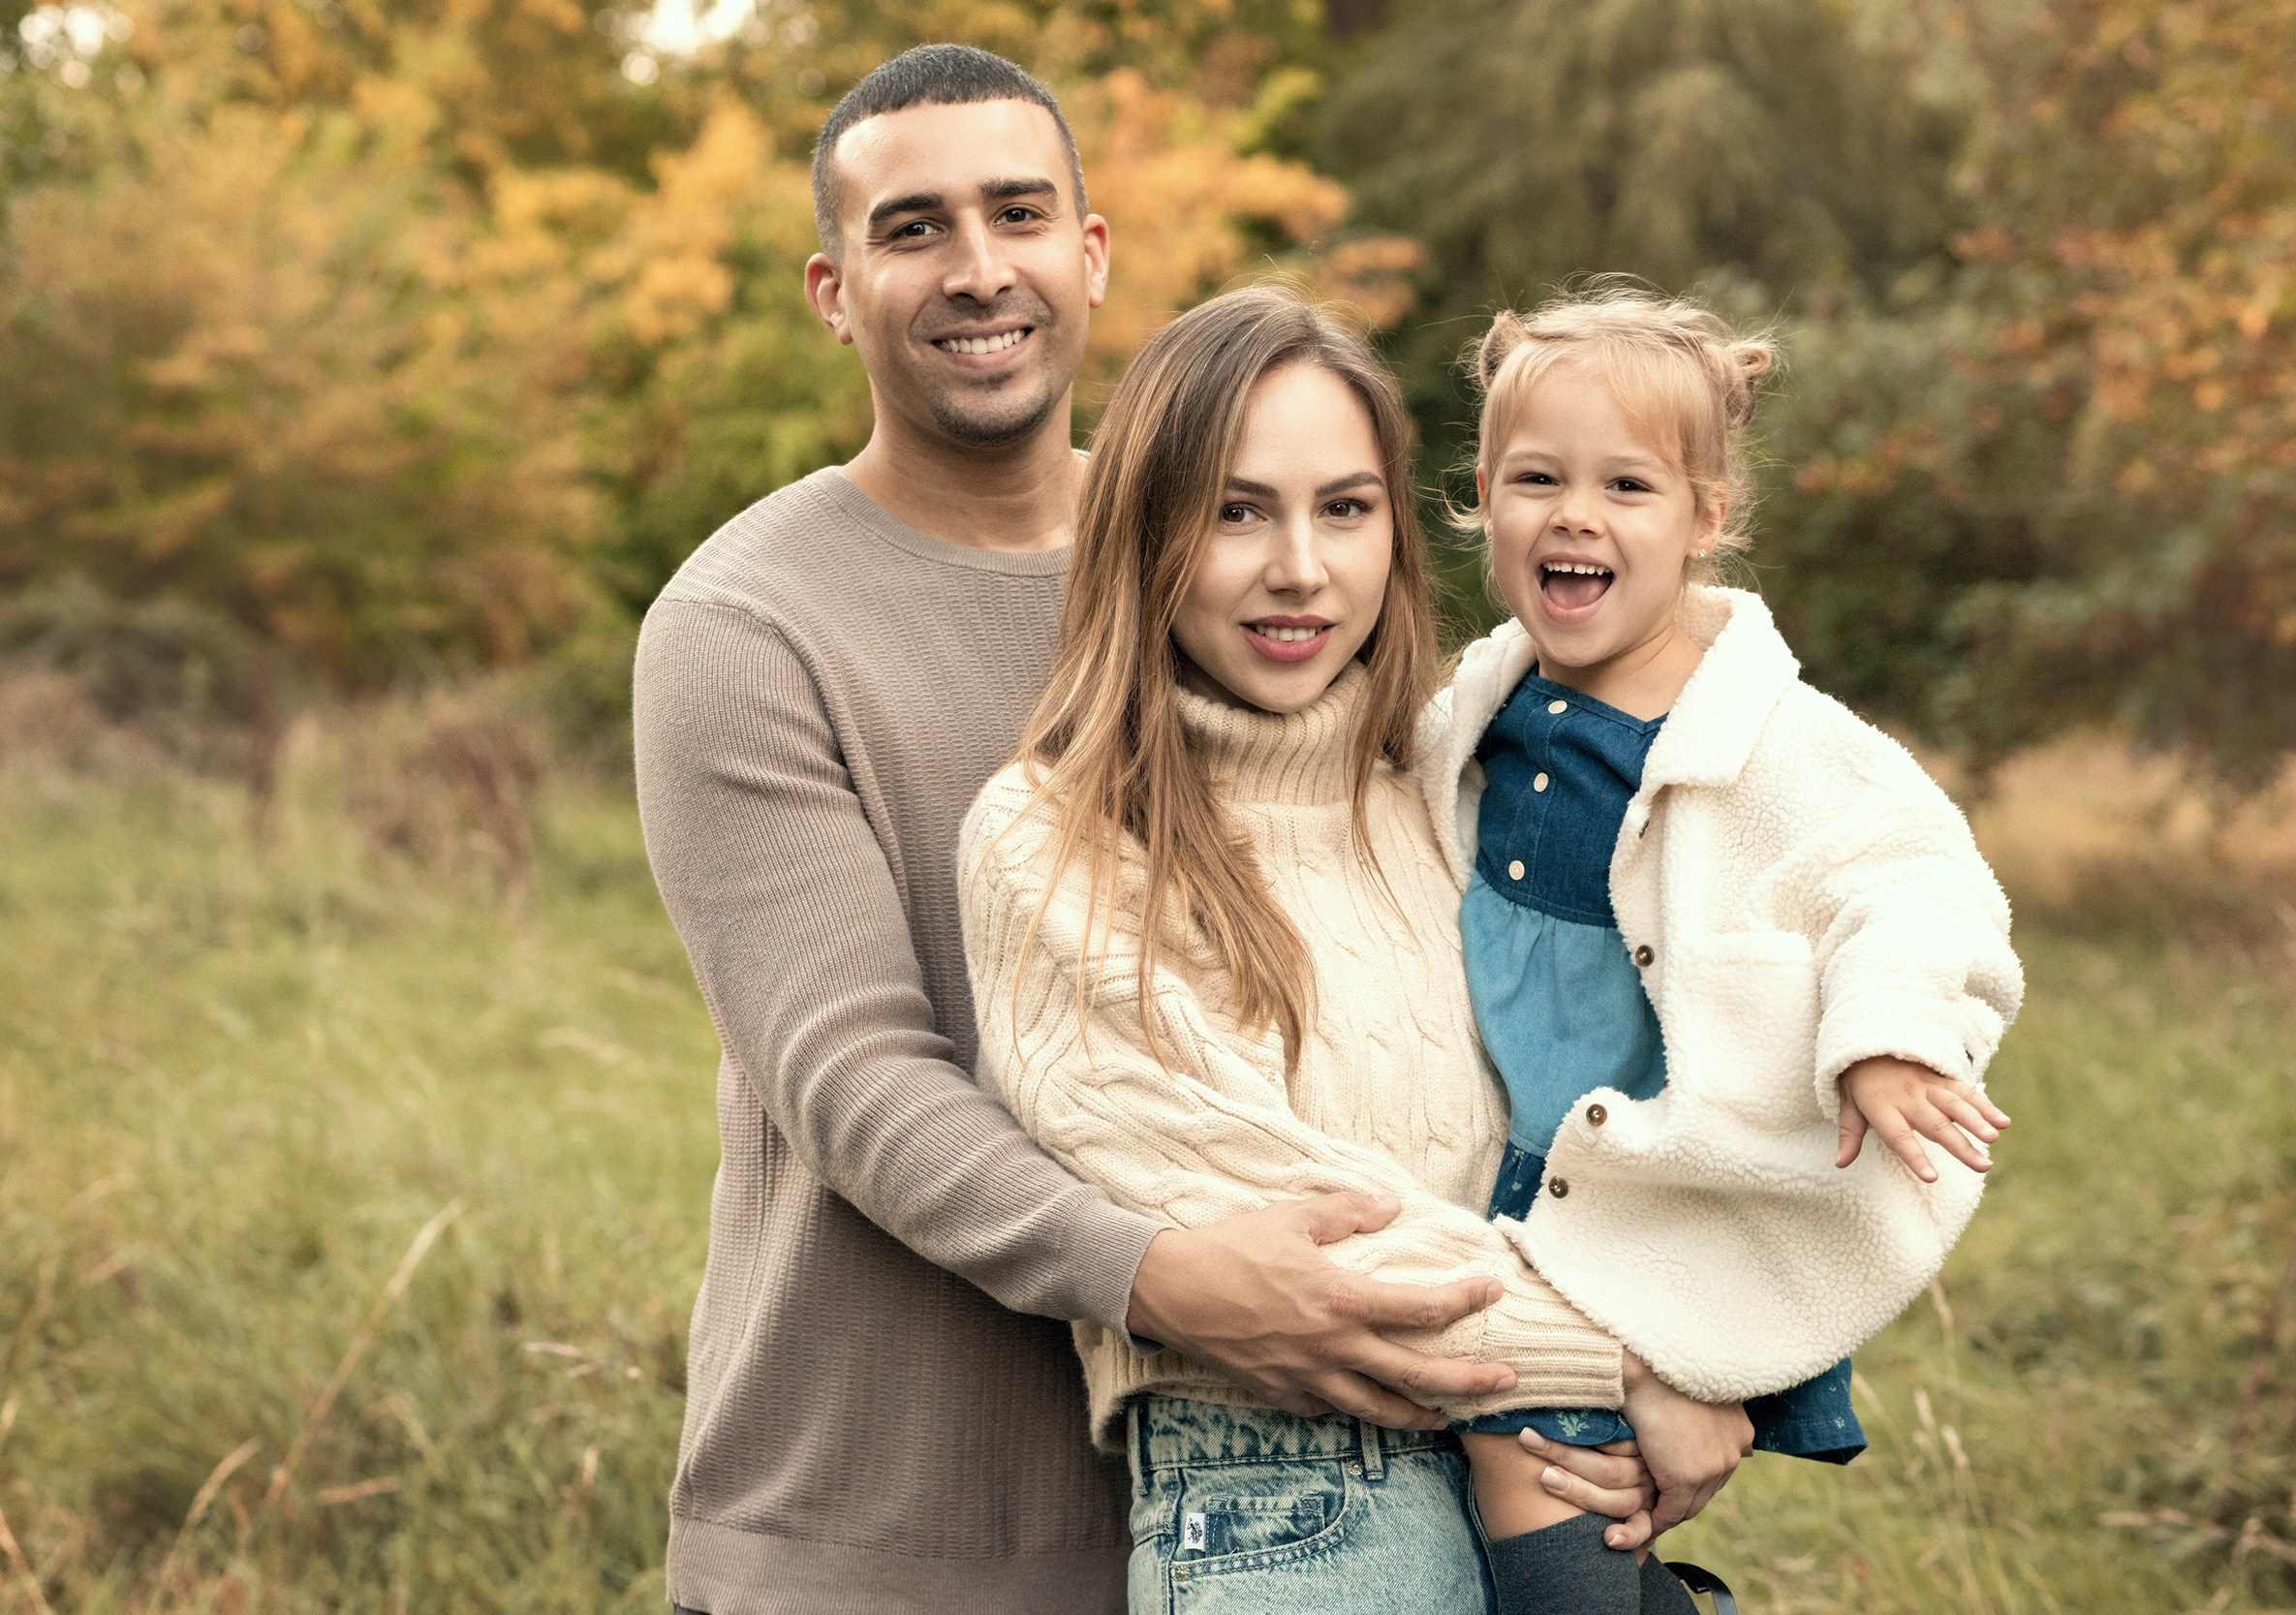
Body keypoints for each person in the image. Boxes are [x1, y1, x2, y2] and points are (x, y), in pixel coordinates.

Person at [632, 46, 1631, 1615]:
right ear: (835, 291)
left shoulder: (1247, 557)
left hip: (1300, 1489)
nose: (979, 271)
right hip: (886, 1524)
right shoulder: (746, 626)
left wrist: (1682, 1369)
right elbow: (851, 1075)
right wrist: (1168, 1280)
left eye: (1018, 213)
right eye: (913, 230)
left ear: (1088, 254)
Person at [957, 286, 1745, 1615]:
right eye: (1235, 510)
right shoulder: (1059, 838)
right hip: (1293, 1513)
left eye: (1345, 507)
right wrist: (1643, 1360)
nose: (1300, 570)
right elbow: (1318, 1252)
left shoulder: (1451, 802)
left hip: (1553, 1479)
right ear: (1146, 532)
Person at [1418, 283, 2026, 1611]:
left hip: (1665, 1193)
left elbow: (1916, 881)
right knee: (1514, 1502)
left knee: (1549, 1506)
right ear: (1482, 495)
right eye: (1538, 479)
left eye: (1627, 485)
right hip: (1507, 1177)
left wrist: (1888, 1033)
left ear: (1705, 517)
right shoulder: (1482, 696)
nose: (1576, 514)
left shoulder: (1771, 738)